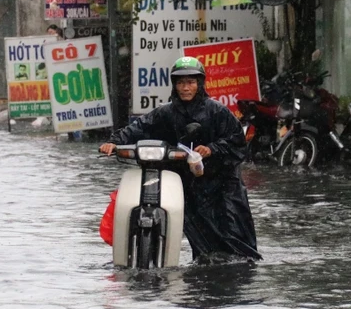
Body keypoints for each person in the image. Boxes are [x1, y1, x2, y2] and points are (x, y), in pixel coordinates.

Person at [99, 56, 262, 261]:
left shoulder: (217, 111)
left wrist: (212, 149)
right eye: (181, 83)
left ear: (200, 84)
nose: (186, 88)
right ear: (174, 86)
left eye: (191, 82)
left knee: (233, 234)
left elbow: (237, 141)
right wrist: (114, 142)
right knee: (200, 238)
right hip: (189, 182)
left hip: (221, 183)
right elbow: (139, 127)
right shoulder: (166, 112)